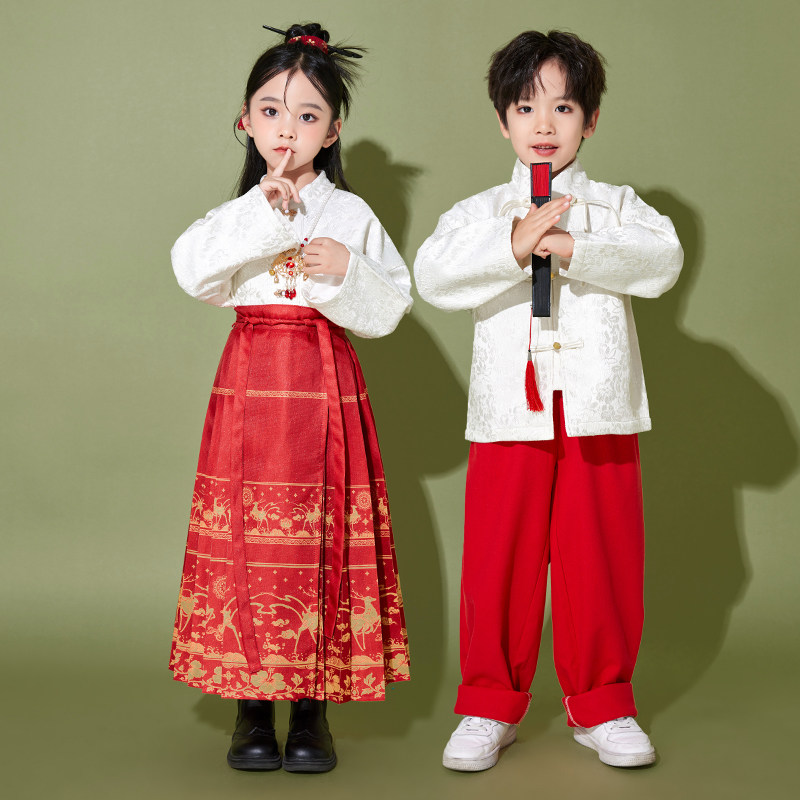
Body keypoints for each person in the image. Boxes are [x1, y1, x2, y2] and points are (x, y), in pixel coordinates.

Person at [414, 30, 683, 771]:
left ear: (589, 120)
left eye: (563, 107)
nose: (543, 124)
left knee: (602, 556)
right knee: (498, 558)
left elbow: (662, 260)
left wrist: (571, 246)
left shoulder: (617, 206)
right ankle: (487, 705)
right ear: (502, 120)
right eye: (525, 107)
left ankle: (604, 704)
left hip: (598, 406)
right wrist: (513, 243)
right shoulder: (478, 213)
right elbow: (433, 275)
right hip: (511, 410)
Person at [169, 22, 411, 774]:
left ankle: (312, 712)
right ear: (245, 120)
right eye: (271, 111)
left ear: (332, 130)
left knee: (322, 541)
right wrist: (257, 214)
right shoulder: (236, 213)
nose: (287, 129)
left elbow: (390, 310)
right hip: (249, 384)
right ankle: (250, 711)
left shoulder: (351, 215)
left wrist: (346, 271)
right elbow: (192, 272)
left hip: (323, 384)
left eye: (308, 115)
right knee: (249, 541)